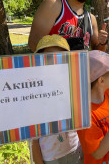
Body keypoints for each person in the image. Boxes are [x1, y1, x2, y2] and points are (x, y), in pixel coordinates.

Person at [31, 34, 83, 164]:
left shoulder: (74, 84)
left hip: (75, 149)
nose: (54, 60)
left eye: (60, 56)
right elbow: (33, 139)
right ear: (39, 60)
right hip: (50, 158)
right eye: (49, 56)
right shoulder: (33, 92)